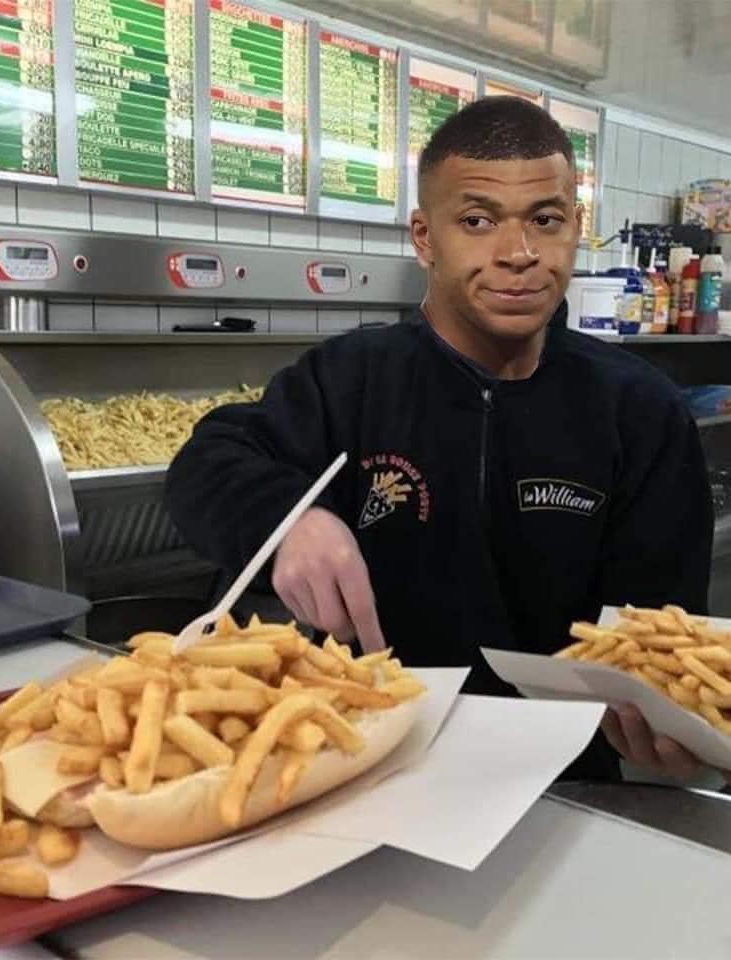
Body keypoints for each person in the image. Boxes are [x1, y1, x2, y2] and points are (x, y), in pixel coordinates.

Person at [165, 97, 714, 782]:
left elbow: (665, 631)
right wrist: (290, 522)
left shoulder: (641, 410)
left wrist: (666, 724)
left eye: (545, 220)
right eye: (477, 221)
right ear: (425, 237)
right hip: (364, 767)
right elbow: (208, 460)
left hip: (565, 790)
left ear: (576, 228)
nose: (518, 254)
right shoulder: (352, 378)